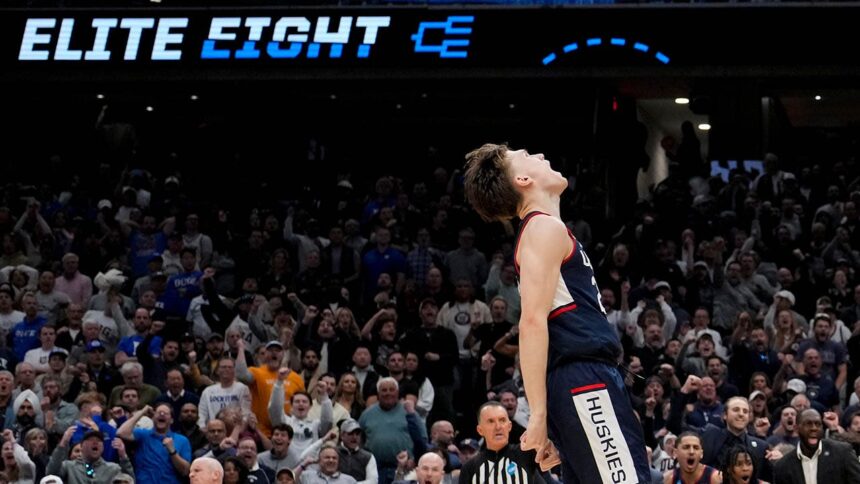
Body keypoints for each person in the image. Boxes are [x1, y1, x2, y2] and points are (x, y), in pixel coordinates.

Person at [463, 143, 649, 481]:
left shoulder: (543, 230)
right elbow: (532, 322)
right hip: (584, 379)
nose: (538, 155)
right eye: (526, 156)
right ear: (522, 179)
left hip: (578, 382)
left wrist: (550, 418)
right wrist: (538, 416)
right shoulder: (542, 228)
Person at [458, 401, 544, 484]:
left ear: (509, 426)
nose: (498, 427)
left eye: (502, 420)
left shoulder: (527, 453)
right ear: (480, 430)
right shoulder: (469, 468)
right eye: (491, 421)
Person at [772, 409, 860, 484]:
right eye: (808, 424)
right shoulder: (783, 466)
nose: (814, 428)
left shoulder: (842, 453)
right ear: (796, 428)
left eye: (818, 424)